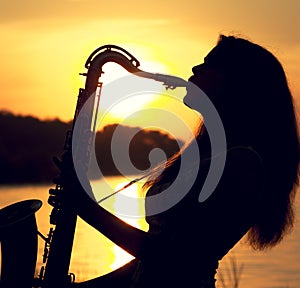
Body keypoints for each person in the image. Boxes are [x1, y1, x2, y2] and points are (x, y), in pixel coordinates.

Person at [65, 35, 299, 288]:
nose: (195, 68)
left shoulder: (243, 164)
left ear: (236, 81)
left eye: (209, 63)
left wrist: (87, 208)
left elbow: (173, 258)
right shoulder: (211, 155)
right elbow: (148, 264)